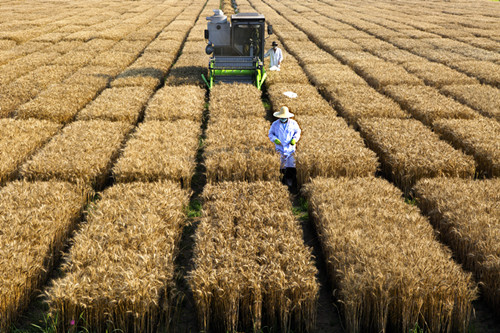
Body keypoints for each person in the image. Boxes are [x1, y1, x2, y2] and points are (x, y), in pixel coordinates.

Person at [268, 106, 301, 193]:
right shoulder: (275, 124)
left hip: (290, 149)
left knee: (291, 165)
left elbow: (298, 132)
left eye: (284, 117)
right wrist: (274, 139)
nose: (283, 118)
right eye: (281, 117)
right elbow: (270, 134)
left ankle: (291, 183)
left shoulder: (293, 124)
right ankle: (282, 182)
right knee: (281, 166)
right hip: (280, 148)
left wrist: (294, 139)